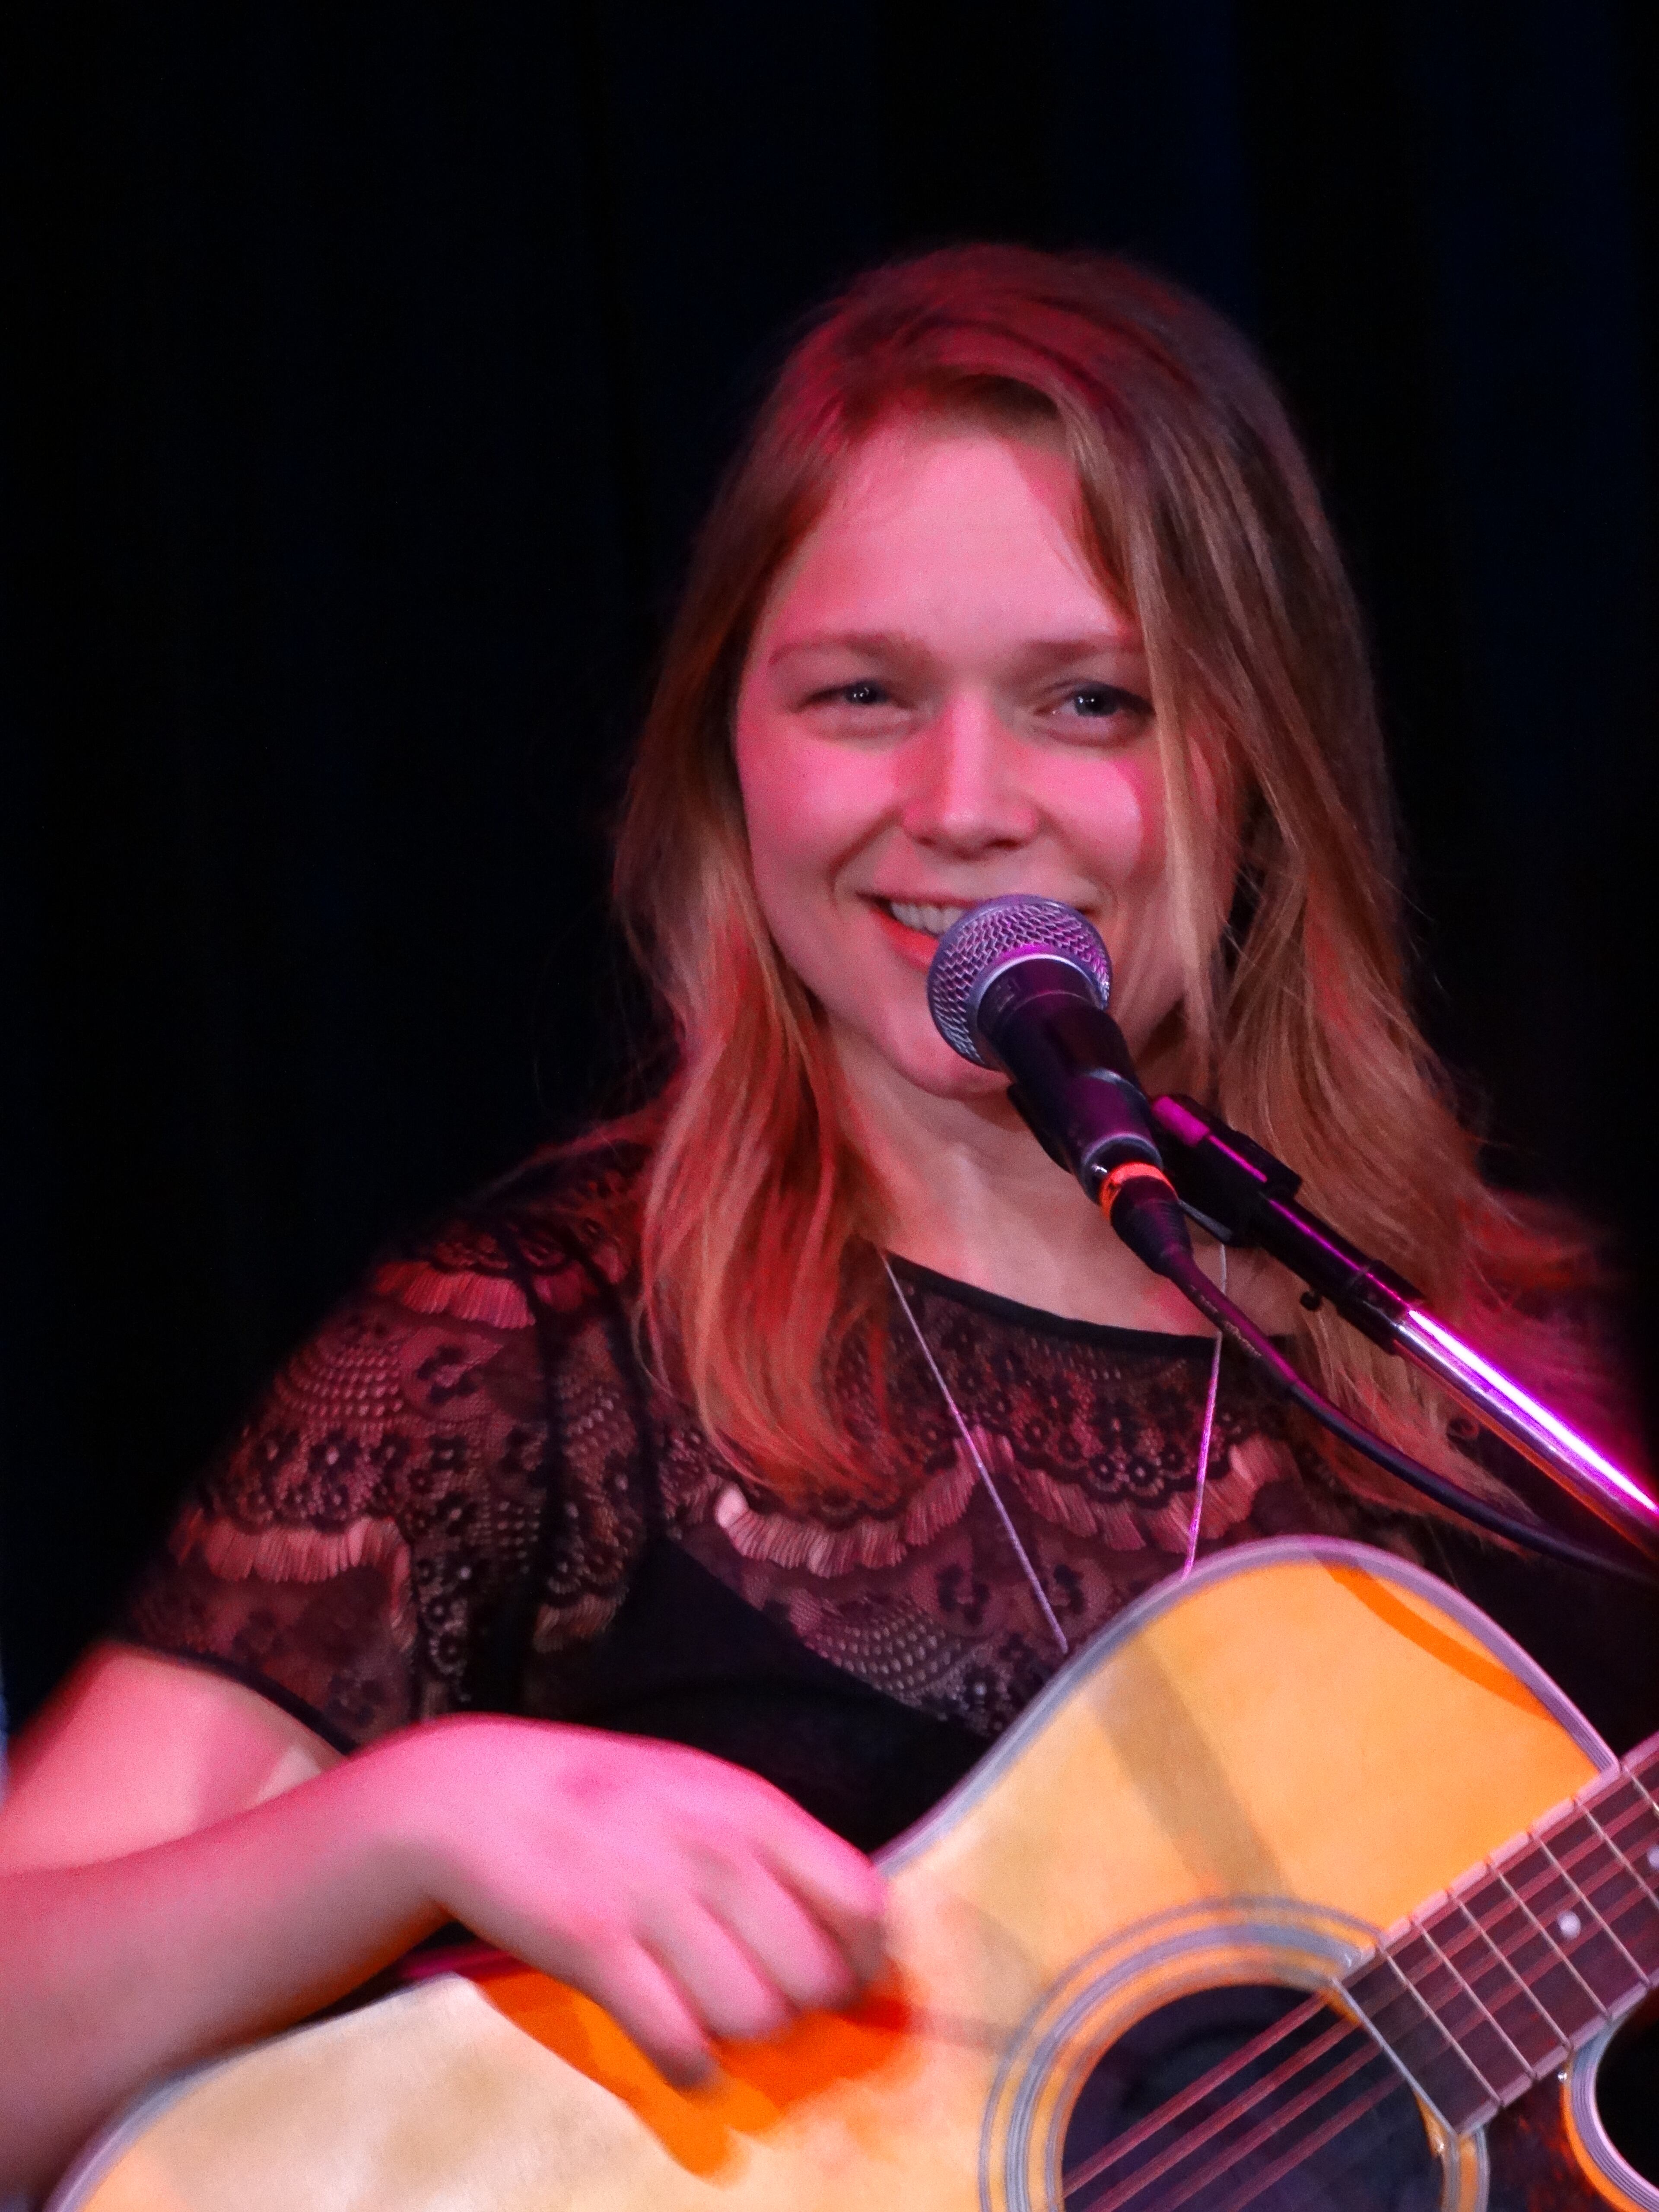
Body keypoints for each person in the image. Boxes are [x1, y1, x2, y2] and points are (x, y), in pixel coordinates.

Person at [0, 245, 1649, 2200]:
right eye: (864, 694)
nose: (964, 803)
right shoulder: (545, 1356)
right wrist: (404, 1819)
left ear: (1258, 754)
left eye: (1091, 700)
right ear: (732, 751)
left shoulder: (1533, 1396)